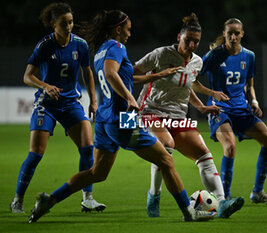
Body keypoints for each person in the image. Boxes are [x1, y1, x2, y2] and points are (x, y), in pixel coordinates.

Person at [28, 10, 215, 223]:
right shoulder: (117, 47)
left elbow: (121, 76)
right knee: (166, 159)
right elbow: (110, 73)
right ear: (118, 29)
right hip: (122, 119)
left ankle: (50, 200)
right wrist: (129, 98)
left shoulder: (100, 50)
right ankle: (188, 213)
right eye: (127, 29)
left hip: (104, 120)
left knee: (97, 172)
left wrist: (155, 76)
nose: (129, 34)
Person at [133, 13, 244, 218]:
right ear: (179, 37)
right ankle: (154, 195)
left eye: (196, 41)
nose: (192, 45)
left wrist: (201, 107)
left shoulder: (197, 62)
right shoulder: (161, 54)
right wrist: (156, 75)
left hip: (178, 115)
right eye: (188, 40)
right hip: (150, 111)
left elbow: (188, 85)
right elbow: (131, 72)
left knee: (204, 155)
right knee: (166, 146)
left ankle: (222, 203)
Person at [10, 2, 105, 214]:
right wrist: (45, 86)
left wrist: (93, 100)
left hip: (71, 103)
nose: (69, 26)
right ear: (53, 24)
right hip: (46, 104)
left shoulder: (80, 45)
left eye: (71, 22)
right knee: (36, 154)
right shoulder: (44, 46)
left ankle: (87, 198)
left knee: (88, 147)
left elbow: (87, 72)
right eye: (64, 23)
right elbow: (27, 76)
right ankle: (17, 199)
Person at [200, 18, 267, 204]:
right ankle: (224, 198)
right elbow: (192, 79)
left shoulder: (249, 56)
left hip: (241, 109)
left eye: (237, 33)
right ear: (224, 34)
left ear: (242, 34)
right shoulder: (213, 55)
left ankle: (257, 193)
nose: (233, 37)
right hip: (219, 110)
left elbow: (249, 84)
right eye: (230, 34)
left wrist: (254, 100)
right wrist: (212, 93)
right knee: (230, 146)